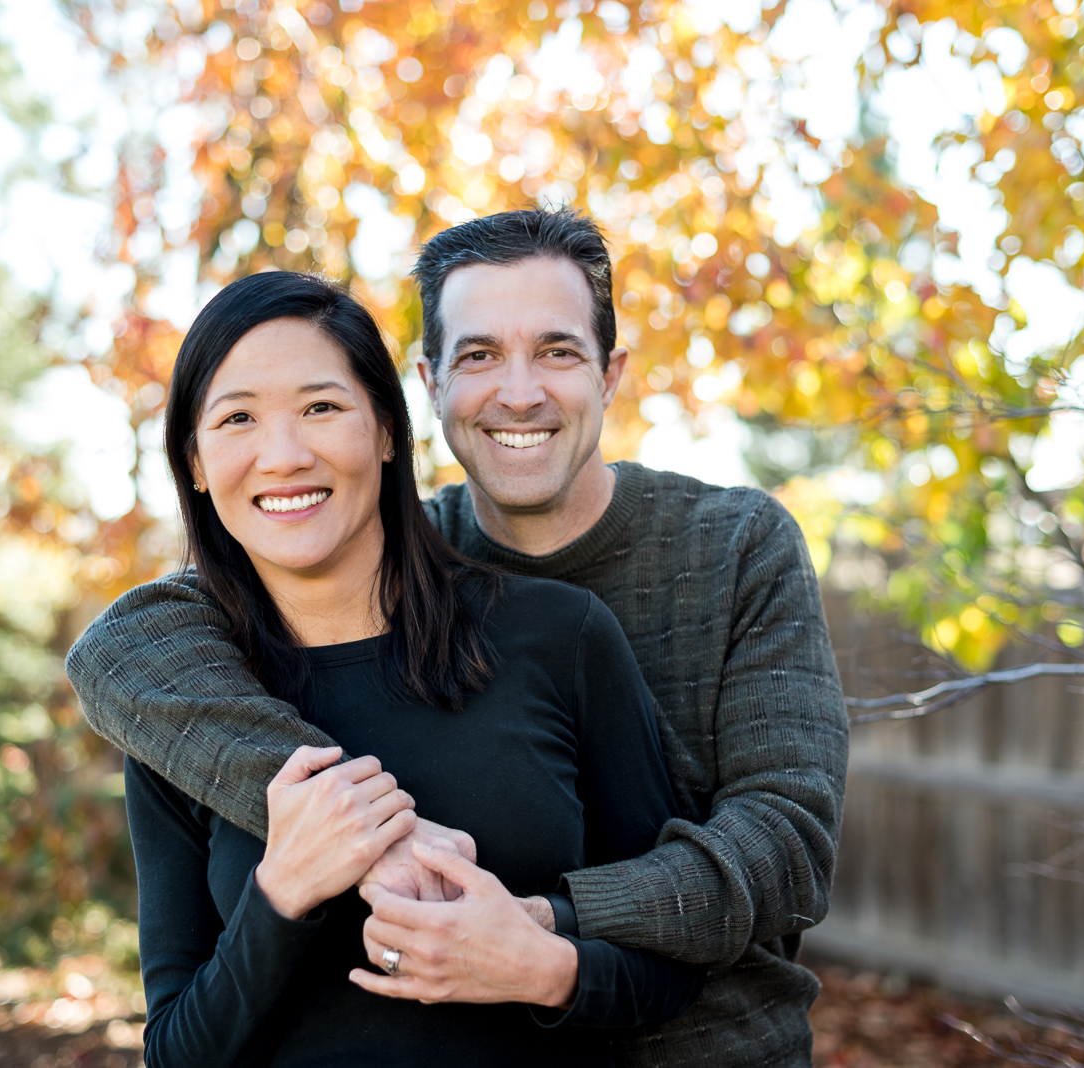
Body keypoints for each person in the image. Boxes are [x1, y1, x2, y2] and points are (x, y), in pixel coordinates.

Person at [68, 207, 848, 1067]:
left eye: (557, 351)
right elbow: (122, 646)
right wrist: (358, 843)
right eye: (479, 356)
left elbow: (786, 844)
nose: (519, 392)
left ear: (611, 372)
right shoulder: (321, 594)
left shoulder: (718, 555)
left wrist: (536, 930)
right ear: (430, 385)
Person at [121, 270, 704, 1067]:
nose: (283, 455)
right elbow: (176, 1053)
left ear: (388, 431)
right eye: (237, 419)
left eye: (321, 407)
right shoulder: (189, 701)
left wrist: (541, 968)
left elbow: (670, 967)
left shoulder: (556, 639)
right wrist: (280, 893)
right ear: (193, 460)